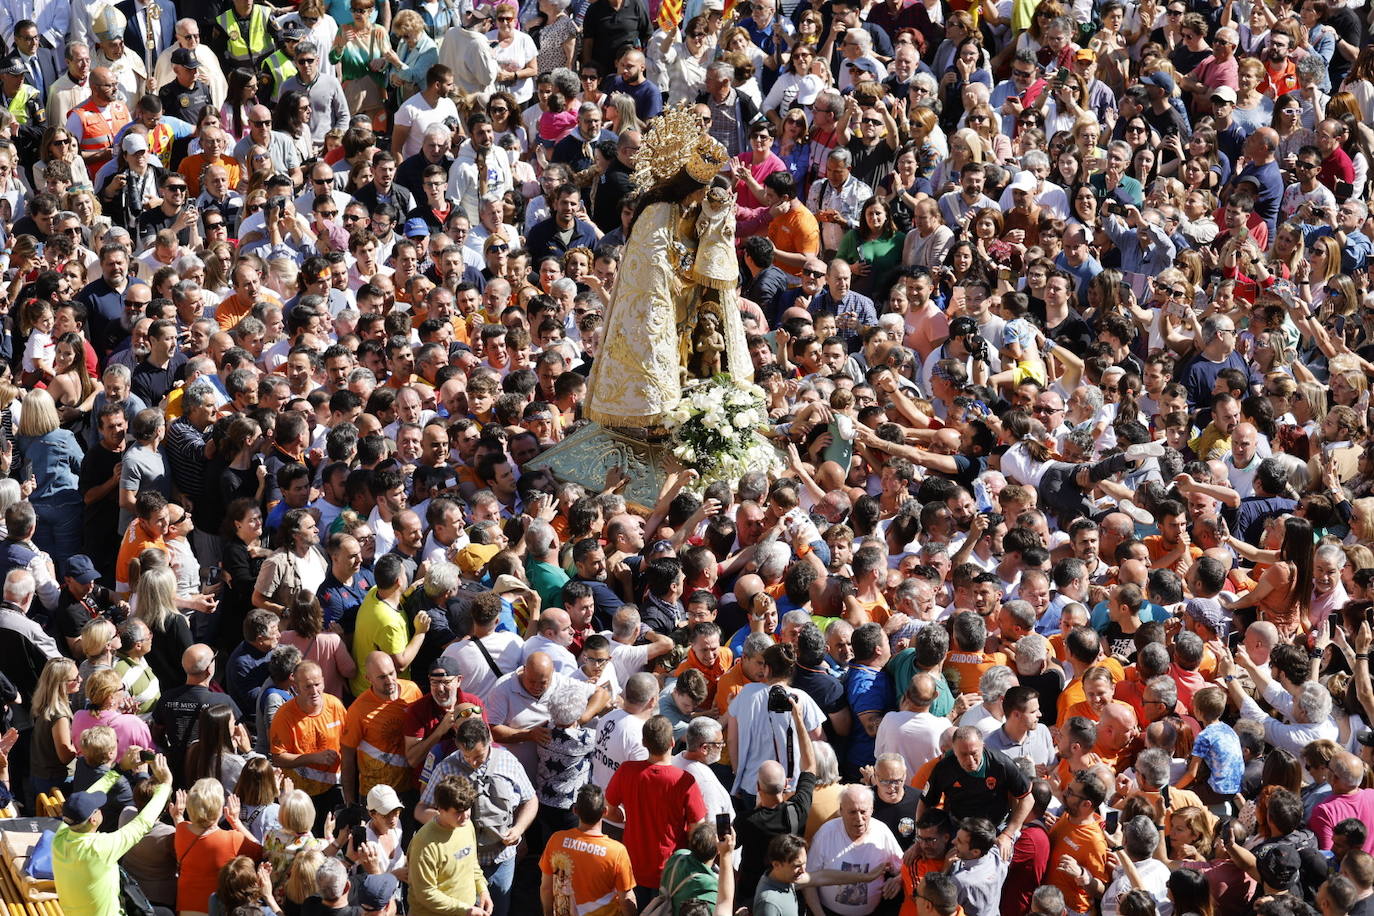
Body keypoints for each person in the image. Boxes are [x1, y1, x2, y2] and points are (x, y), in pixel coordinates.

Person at [52, 750, 173, 916]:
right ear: (93, 820)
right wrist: (166, 784)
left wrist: (119, 769)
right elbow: (143, 823)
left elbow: (90, 794)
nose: (100, 807)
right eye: (98, 808)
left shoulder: (61, 835)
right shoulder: (99, 849)